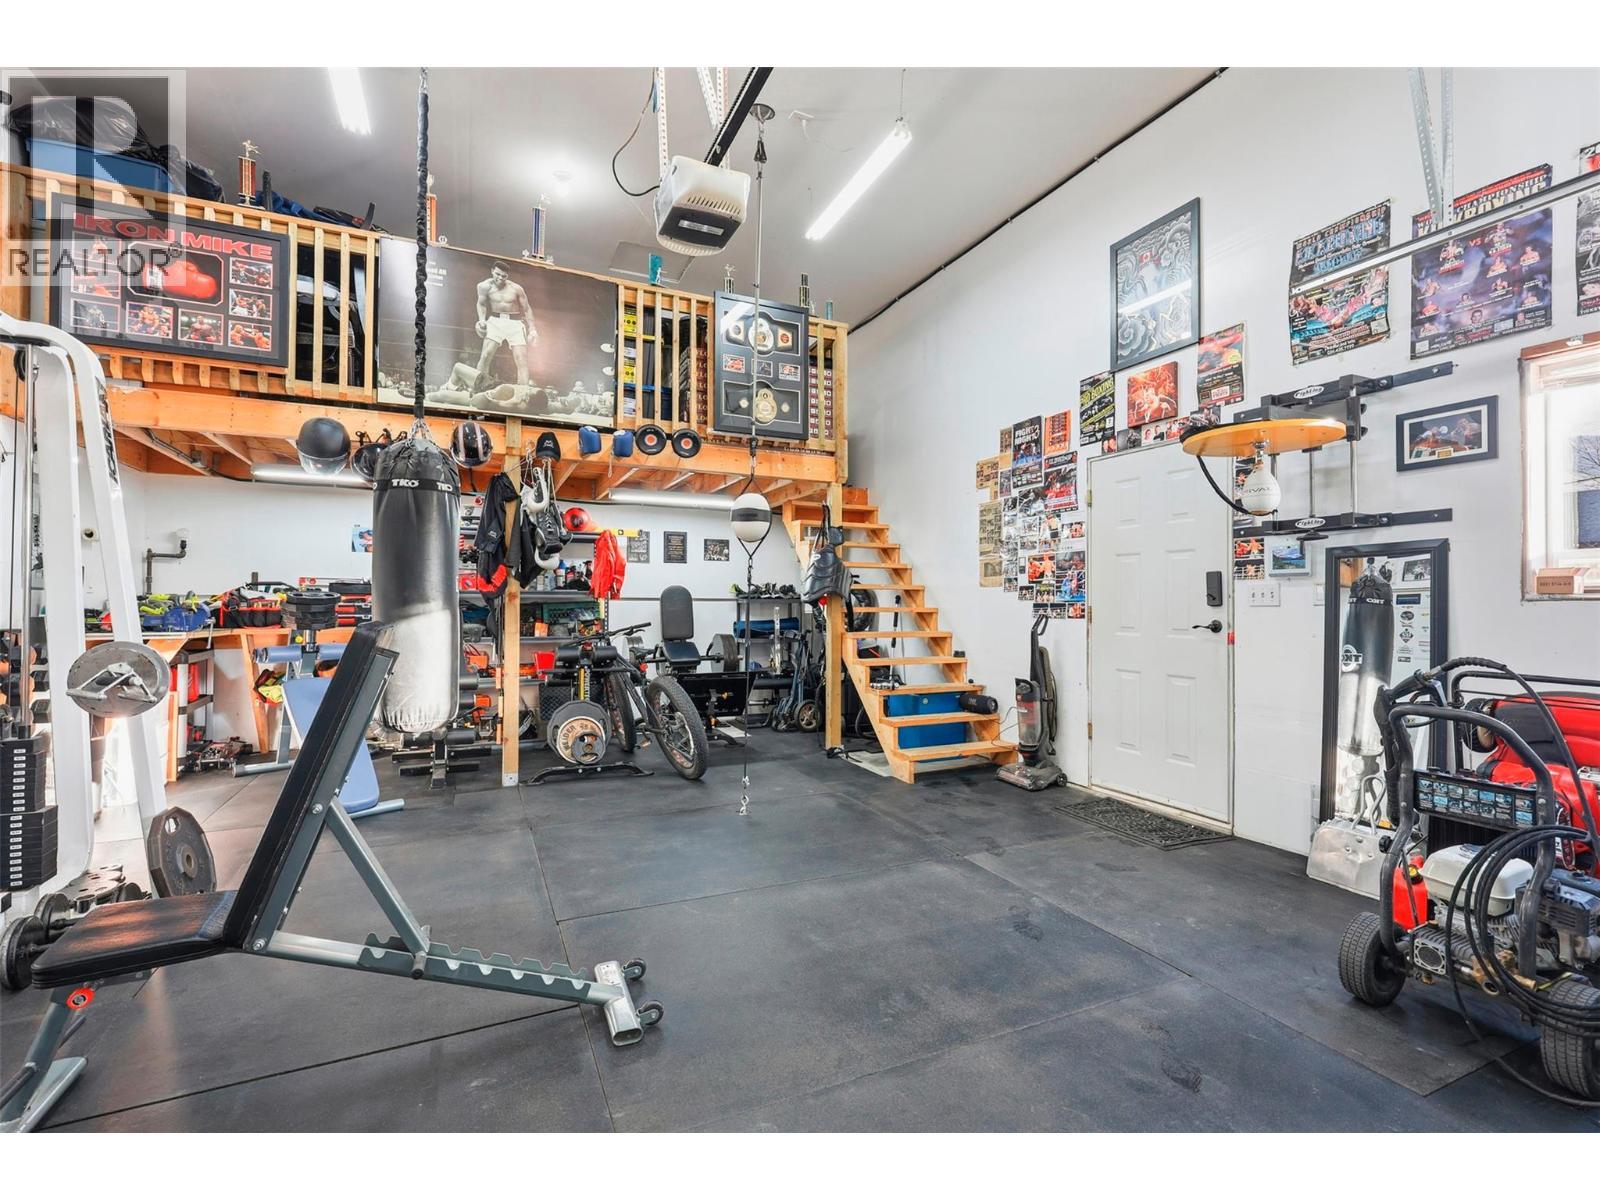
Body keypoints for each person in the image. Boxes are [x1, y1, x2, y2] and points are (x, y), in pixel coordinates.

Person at [474, 261, 538, 385]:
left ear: (507, 276)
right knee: (486, 355)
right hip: (495, 321)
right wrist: (481, 319)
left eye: (504, 276)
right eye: (497, 274)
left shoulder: (516, 288)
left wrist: (532, 329)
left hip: (515, 322)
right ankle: (478, 387)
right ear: (492, 271)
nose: (500, 278)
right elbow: (481, 304)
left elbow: (527, 308)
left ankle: (523, 390)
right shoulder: (484, 286)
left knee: (521, 358)